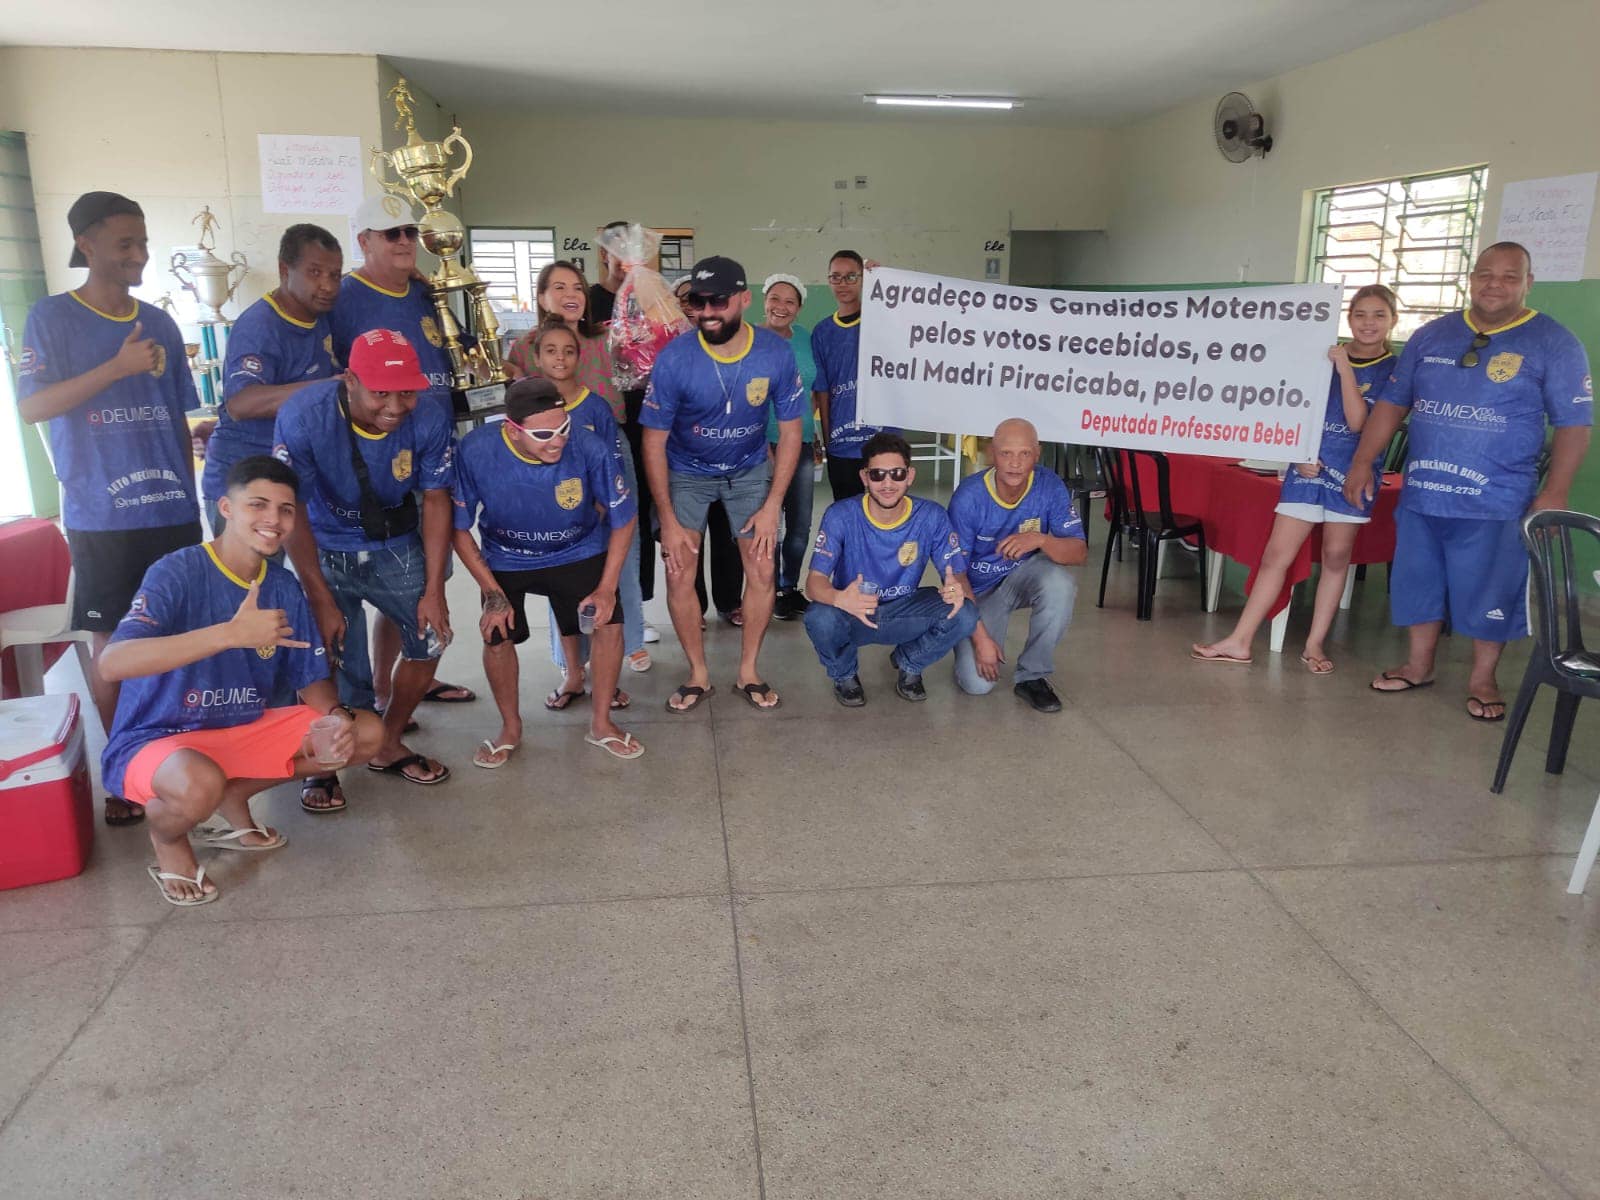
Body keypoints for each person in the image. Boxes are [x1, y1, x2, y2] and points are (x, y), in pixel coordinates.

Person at [98, 455, 383, 906]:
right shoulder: (178, 571)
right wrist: (228, 635)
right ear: (226, 508)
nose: (273, 519)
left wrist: (335, 717)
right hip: (157, 739)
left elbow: (310, 678)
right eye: (258, 504)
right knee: (197, 784)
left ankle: (232, 798)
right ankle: (170, 841)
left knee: (366, 733)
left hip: (238, 727)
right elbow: (111, 663)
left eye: (286, 509)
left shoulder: (284, 587)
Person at [17, 190, 204, 827]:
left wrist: (192, 490)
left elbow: (178, 414)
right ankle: (124, 774)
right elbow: (32, 407)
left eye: (143, 242)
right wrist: (115, 368)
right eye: (125, 243)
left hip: (173, 509)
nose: (139, 255)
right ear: (87, 245)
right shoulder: (50, 318)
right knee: (114, 645)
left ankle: (182, 762)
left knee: (180, 638)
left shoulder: (161, 321)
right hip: (103, 514)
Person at [1344, 243, 1592, 719]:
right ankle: (1419, 665)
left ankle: (1483, 677)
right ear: (1470, 278)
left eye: (1508, 276)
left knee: (1490, 588)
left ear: (1528, 283)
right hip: (1424, 493)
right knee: (1420, 582)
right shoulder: (1431, 336)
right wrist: (1363, 461)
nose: (1494, 284)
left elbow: (1573, 424)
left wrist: (1555, 491)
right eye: (1484, 274)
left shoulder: (1554, 342)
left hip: (1496, 498)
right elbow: (1394, 404)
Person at [273, 329, 453, 784]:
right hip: (325, 546)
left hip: (396, 541)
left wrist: (434, 588)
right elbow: (291, 509)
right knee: (331, 654)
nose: (394, 407)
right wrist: (318, 594)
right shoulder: (304, 417)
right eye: (380, 393)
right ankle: (325, 762)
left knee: (429, 637)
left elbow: (435, 499)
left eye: (406, 393)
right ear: (350, 380)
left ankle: (387, 740)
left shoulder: (429, 417)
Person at [1192, 285, 1400, 673]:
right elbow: (1291, 409)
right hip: (1307, 471)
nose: (1368, 323)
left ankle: (1315, 644)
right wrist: (1296, 455)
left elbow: (1359, 423)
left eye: (1378, 315)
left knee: (1336, 557)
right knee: (1275, 555)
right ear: (1348, 318)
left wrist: (1344, 369)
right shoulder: (1318, 356)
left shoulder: (1393, 368)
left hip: (1354, 475)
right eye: (1360, 315)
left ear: (1393, 321)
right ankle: (1239, 640)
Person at [330, 192, 475, 710]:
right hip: (378, 460)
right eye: (391, 233)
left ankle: (412, 675)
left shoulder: (423, 291)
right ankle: (383, 689)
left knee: (417, 580)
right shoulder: (345, 298)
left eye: (410, 232)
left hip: (434, 448)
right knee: (386, 582)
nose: (405, 242)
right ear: (363, 240)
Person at [641, 255, 804, 712]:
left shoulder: (775, 353)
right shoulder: (675, 359)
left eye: (719, 301)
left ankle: (748, 670)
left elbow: (791, 432)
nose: (707, 312)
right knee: (679, 571)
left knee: (763, 569)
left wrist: (773, 504)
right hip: (688, 474)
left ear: (745, 299)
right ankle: (697, 674)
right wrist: (668, 520)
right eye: (698, 302)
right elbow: (653, 444)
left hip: (749, 471)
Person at [452, 378, 644, 762]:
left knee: (610, 622)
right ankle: (510, 727)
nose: (557, 440)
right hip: (507, 556)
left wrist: (607, 588)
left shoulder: (589, 446)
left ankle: (602, 723)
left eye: (563, 428)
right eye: (543, 433)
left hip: (578, 548)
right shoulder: (475, 450)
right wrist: (492, 595)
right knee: (497, 633)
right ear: (512, 430)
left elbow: (624, 518)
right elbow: (457, 527)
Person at [508, 262, 656, 671]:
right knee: (565, 548)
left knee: (624, 539)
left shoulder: (608, 337)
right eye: (558, 287)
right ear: (540, 297)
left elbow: (647, 360)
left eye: (577, 286)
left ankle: (631, 638)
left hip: (609, 443)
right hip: (552, 449)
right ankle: (572, 657)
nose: (570, 294)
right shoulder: (524, 347)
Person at [804, 432, 979, 705]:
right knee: (819, 617)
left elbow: (955, 574)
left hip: (907, 610)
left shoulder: (931, 515)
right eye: (877, 475)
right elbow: (814, 583)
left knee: (965, 612)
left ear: (910, 475)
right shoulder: (840, 515)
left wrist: (954, 587)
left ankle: (910, 663)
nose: (888, 483)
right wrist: (840, 598)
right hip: (855, 612)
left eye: (897, 474)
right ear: (864, 477)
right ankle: (844, 675)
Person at [201, 223, 341, 537]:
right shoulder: (261, 326)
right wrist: (328, 389)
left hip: (288, 479)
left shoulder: (321, 314)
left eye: (334, 275)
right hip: (243, 487)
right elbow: (241, 403)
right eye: (315, 272)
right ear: (284, 270)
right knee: (249, 581)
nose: (328, 285)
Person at [948, 418, 1087, 712]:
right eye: (1006, 453)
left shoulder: (1049, 485)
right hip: (979, 591)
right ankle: (963, 640)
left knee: (1060, 584)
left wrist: (1040, 540)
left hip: (1024, 577)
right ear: (991, 455)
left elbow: (1078, 551)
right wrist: (981, 638)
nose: (1014, 463)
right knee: (977, 685)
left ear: (1037, 454)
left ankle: (1032, 676)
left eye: (1024, 453)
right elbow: (955, 575)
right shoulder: (968, 497)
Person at [592, 219, 660, 603]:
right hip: (601, 418)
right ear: (604, 254)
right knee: (600, 505)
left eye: (630, 249)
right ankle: (602, 591)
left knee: (641, 504)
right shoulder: (588, 300)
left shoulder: (650, 297)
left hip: (645, 416)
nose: (623, 258)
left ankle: (641, 599)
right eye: (616, 249)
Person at [759, 273, 820, 621]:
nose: (781, 307)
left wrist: (812, 433)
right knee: (769, 524)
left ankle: (787, 588)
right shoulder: (749, 338)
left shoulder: (804, 337)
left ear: (798, 308)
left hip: (802, 442)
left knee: (800, 523)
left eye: (790, 302)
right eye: (776, 299)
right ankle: (763, 590)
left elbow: (810, 388)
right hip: (761, 443)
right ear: (764, 299)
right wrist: (758, 441)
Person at [812, 249, 886, 501]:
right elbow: (823, 392)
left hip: (883, 442)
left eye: (851, 277)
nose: (843, 284)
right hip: (842, 444)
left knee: (885, 513)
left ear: (863, 279)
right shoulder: (822, 332)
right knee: (847, 512)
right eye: (836, 277)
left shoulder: (884, 321)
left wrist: (884, 281)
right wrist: (828, 441)